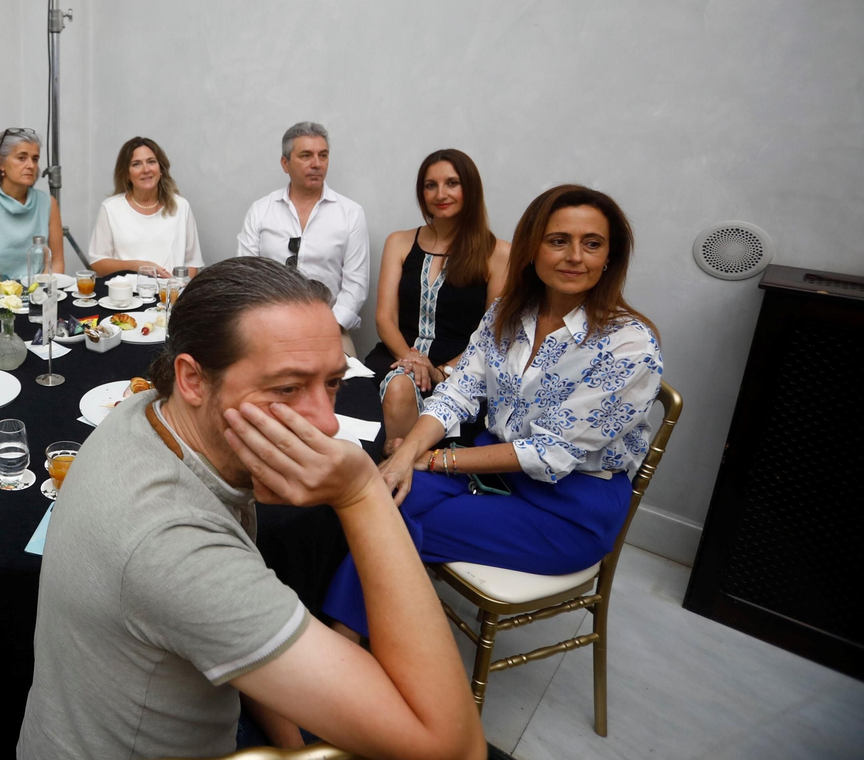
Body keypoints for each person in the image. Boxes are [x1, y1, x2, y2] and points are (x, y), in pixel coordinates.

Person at [17, 257, 486, 760]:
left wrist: (288, 748)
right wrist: (360, 495)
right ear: (192, 378)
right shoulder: (174, 548)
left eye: (331, 383)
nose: (327, 421)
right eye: (286, 389)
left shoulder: (147, 411)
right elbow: (454, 748)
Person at [323, 185, 664, 639]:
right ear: (532, 248)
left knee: (392, 524)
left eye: (592, 243)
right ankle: (355, 652)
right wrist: (406, 455)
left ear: (609, 257)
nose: (575, 256)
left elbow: (549, 453)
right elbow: (458, 392)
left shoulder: (629, 345)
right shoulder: (508, 312)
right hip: (491, 471)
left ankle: (346, 656)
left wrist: (434, 459)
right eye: (558, 240)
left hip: (569, 508)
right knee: (374, 495)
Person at [366, 149, 511, 441]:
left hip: (460, 369)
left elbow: (493, 333)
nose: (440, 193)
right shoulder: (399, 242)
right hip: (396, 355)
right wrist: (412, 359)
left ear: (470, 188)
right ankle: (391, 475)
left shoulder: (498, 253)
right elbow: (385, 317)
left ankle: (404, 475)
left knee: (407, 387)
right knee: (398, 385)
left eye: (452, 183)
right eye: (430, 185)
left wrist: (442, 371)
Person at [236, 121, 369, 356]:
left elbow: (355, 287)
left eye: (323, 155)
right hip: (268, 328)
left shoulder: (350, 213)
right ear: (285, 164)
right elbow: (245, 278)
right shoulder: (261, 210)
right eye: (306, 156)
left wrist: (327, 328)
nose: (316, 164)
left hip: (330, 328)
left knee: (351, 390)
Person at [87, 136, 203, 277]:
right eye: (136, 164)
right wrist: (136, 266)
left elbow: (192, 264)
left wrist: (175, 291)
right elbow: (98, 263)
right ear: (127, 174)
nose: (146, 169)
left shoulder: (181, 206)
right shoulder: (110, 208)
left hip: (170, 295)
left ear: (160, 168)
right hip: (125, 296)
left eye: (151, 162)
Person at [0, 127, 64, 281]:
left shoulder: (48, 203)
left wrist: (41, 290)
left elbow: (57, 263)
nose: (31, 165)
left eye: (35, 159)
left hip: (39, 292)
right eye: (22, 158)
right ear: (0, 163)